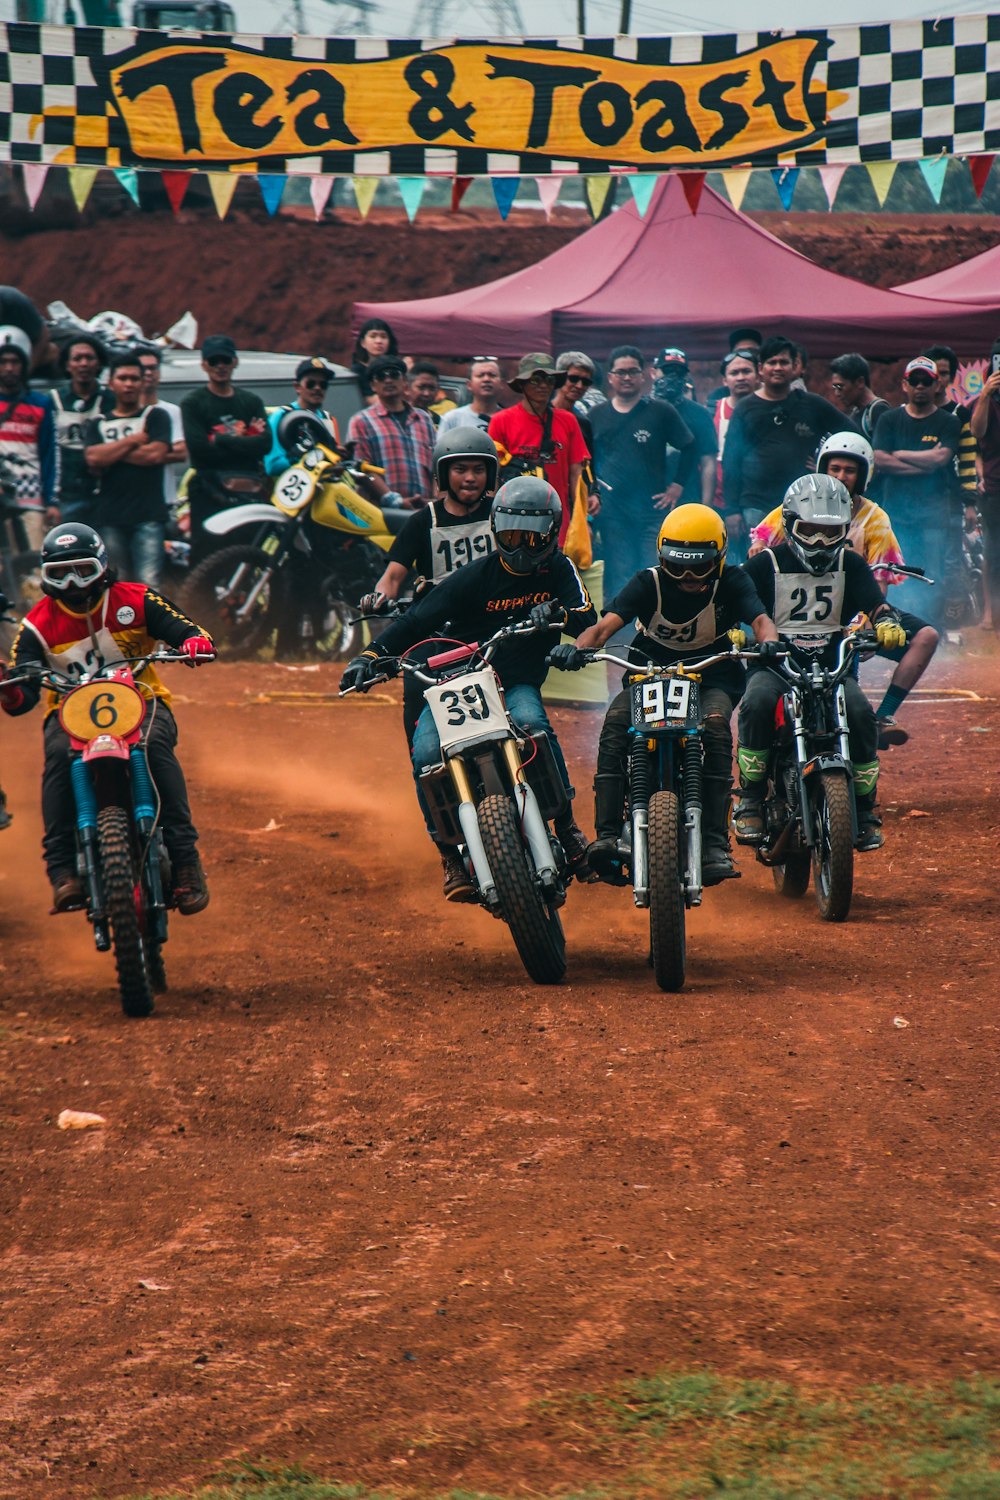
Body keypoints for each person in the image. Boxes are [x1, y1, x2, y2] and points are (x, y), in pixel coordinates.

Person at [341, 476, 598, 899]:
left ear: (551, 534)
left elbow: (586, 617)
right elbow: (415, 622)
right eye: (512, 534)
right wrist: (369, 657)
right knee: (425, 755)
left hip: (514, 679)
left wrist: (554, 611)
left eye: (533, 538)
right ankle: (447, 852)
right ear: (496, 530)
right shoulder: (473, 577)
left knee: (534, 723)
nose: (522, 547)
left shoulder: (559, 569)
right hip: (456, 679)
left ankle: (567, 827)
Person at [549, 504, 776, 886]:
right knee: (616, 724)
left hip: (711, 675)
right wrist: (577, 648)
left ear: (718, 559)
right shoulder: (647, 582)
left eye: (699, 567)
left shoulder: (733, 581)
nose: (688, 577)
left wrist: (768, 642)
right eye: (678, 565)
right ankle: (606, 835)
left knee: (717, 729)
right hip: (648, 672)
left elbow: (760, 620)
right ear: (662, 557)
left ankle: (715, 843)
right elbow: (604, 628)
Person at [0, 522, 213, 914]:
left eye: (81, 569)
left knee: (155, 748)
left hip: (141, 702)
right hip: (70, 714)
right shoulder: (36, 626)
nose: (72, 583)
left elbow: (187, 631)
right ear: (45, 576)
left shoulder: (139, 599)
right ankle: (62, 870)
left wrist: (193, 643)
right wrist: (10, 689)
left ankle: (185, 863)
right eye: (59, 574)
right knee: (59, 764)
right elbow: (23, 695)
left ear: (101, 565)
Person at [734, 474, 907, 852]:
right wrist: (734, 630)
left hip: (832, 670)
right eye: (809, 530)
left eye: (829, 532)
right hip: (776, 667)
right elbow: (734, 601)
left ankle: (863, 810)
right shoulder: (765, 564)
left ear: (844, 530)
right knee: (757, 702)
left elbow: (876, 603)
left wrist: (887, 622)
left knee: (861, 712)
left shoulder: (852, 564)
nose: (818, 542)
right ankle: (749, 797)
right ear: (790, 526)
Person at [750, 431, 939, 748]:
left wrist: (868, 621)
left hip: (854, 605)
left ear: (863, 476)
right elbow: (763, 539)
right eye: (834, 468)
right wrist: (758, 546)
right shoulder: (801, 502)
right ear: (822, 469)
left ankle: (882, 717)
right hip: (800, 602)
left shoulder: (874, 518)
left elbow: (878, 580)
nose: (840, 476)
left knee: (926, 636)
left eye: (849, 470)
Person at [363, 426, 499, 743]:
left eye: (479, 470)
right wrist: (378, 597)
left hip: (492, 622)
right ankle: (426, 766)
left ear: (490, 474)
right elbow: (393, 577)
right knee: (416, 697)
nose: (470, 478)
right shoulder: (423, 520)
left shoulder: (500, 514)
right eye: (460, 469)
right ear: (442, 473)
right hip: (434, 629)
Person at [587, 345, 695, 601]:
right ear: (610, 376)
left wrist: (677, 486)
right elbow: (586, 461)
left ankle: (653, 629)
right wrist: (593, 492)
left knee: (654, 571)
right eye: (621, 372)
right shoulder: (596, 415)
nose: (626, 377)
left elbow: (689, 447)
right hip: (613, 511)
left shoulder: (660, 411)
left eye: (632, 371)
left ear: (644, 374)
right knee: (620, 573)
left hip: (652, 510)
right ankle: (619, 634)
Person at [722, 335, 855, 541]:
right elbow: (731, 462)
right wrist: (731, 511)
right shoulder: (745, 409)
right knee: (758, 567)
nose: (777, 367)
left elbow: (852, 435)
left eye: (783, 362)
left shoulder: (812, 404)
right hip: (756, 506)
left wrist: (824, 461)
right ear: (761, 368)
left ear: (794, 367)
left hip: (805, 507)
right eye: (771, 362)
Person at [872, 356, 961, 632]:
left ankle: (932, 629)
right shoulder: (889, 419)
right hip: (897, 513)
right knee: (896, 572)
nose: (920, 386)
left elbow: (941, 460)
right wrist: (924, 461)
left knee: (933, 574)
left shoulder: (948, 421)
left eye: (926, 381)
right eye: (915, 381)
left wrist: (897, 455)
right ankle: (898, 628)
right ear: (905, 385)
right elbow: (879, 460)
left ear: (937, 384)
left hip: (934, 514)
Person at [83, 352, 171, 588]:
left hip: (149, 514)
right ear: (111, 383)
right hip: (111, 514)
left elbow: (155, 455)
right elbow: (93, 458)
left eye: (134, 378)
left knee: (149, 583)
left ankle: (154, 626)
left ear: (143, 382)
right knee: (116, 584)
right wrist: (133, 441)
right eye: (123, 378)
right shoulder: (98, 422)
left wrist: (112, 454)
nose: (129, 383)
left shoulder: (155, 416)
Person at [180, 335, 269, 562]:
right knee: (205, 555)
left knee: (248, 552)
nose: (220, 366)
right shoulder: (193, 403)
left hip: (248, 490)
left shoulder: (251, 401)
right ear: (204, 365)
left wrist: (220, 439)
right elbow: (199, 450)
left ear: (235, 362)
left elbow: (265, 445)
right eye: (213, 360)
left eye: (225, 360)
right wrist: (245, 437)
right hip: (208, 491)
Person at [488, 353, 590, 546]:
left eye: (549, 379)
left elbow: (577, 475)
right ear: (522, 384)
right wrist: (491, 519)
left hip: (558, 524)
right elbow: (492, 475)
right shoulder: (501, 421)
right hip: (512, 522)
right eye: (535, 379)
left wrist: (583, 523)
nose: (543, 385)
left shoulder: (568, 421)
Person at [347, 354, 436, 508]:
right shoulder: (361, 421)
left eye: (394, 375)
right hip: (384, 514)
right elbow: (362, 469)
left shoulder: (423, 419)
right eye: (381, 377)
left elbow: (436, 466)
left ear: (404, 382)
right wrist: (396, 502)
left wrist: (436, 500)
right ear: (373, 386)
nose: (388, 380)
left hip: (424, 511)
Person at [0, 325, 60, 552]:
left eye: (15, 362)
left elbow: (49, 454)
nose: (9, 368)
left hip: (30, 501)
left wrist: (51, 501)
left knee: (33, 568)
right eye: (3, 362)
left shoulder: (41, 404)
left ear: (24, 366)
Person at [49, 333, 111, 525]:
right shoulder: (52, 400)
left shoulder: (111, 400)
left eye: (89, 358)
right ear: (68, 365)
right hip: (66, 495)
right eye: (77, 358)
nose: (84, 364)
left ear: (99, 363)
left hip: (105, 494)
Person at [652, 348, 719, 507]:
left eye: (679, 372)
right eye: (667, 370)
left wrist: (706, 507)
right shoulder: (642, 408)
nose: (673, 376)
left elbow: (708, 462)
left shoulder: (699, 414)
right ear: (653, 373)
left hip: (687, 500)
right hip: (646, 501)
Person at [708, 348, 759, 555]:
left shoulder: (774, 409)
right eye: (734, 373)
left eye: (746, 371)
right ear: (724, 380)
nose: (740, 377)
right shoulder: (712, 411)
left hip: (759, 501)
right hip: (722, 503)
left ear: (758, 375)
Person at [264, 357, 341, 477]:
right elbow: (272, 466)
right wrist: (297, 455)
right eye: (311, 384)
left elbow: (333, 463)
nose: (317, 388)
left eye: (323, 384)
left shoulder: (328, 419)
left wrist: (342, 456)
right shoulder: (281, 416)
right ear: (297, 387)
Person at [969, 342, 1000, 629]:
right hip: (994, 487)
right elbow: (976, 433)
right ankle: (991, 614)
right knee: (993, 549)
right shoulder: (987, 398)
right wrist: (985, 395)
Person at [137, 346, 188, 513]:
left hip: (163, 500)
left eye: (153, 368)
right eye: (143, 368)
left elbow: (181, 452)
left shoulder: (171, 412)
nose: (149, 373)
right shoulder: (118, 412)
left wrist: (132, 453)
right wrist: (161, 450)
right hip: (128, 501)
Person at [828, 353, 892, 444]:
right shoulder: (854, 413)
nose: (837, 393)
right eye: (835, 388)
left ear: (860, 382)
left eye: (840, 387)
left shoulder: (878, 411)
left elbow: (885, 452)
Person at [438, 357, 503, 434]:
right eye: (480, 375)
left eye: (492, 375)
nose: (486, 379)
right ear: (469, 385)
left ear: (501, 383)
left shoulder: (510, 419)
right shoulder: (452, 418)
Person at [351, 317, 399, 402]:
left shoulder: (397, 368)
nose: (378, 341)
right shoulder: (357, 371)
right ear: (363, 343)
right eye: (373, 336)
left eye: (383, 337)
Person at [408, 362, 456, 427]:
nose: (426, 393)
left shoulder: (440, 422)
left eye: (432, 388)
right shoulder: (397, 418)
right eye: (421, 387)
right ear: (407, 387)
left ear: (438, 389)